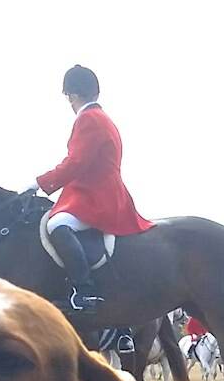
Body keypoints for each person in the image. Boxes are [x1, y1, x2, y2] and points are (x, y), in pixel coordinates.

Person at [36, 64, 155, 311]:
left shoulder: (89, 119)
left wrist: (40, 183)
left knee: (56, 224)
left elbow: (76, 162)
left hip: (97, 196)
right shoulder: (103, 118)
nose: (69, 102)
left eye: (68, 96)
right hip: (101, 191)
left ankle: (85, 290)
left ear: (73, 95)